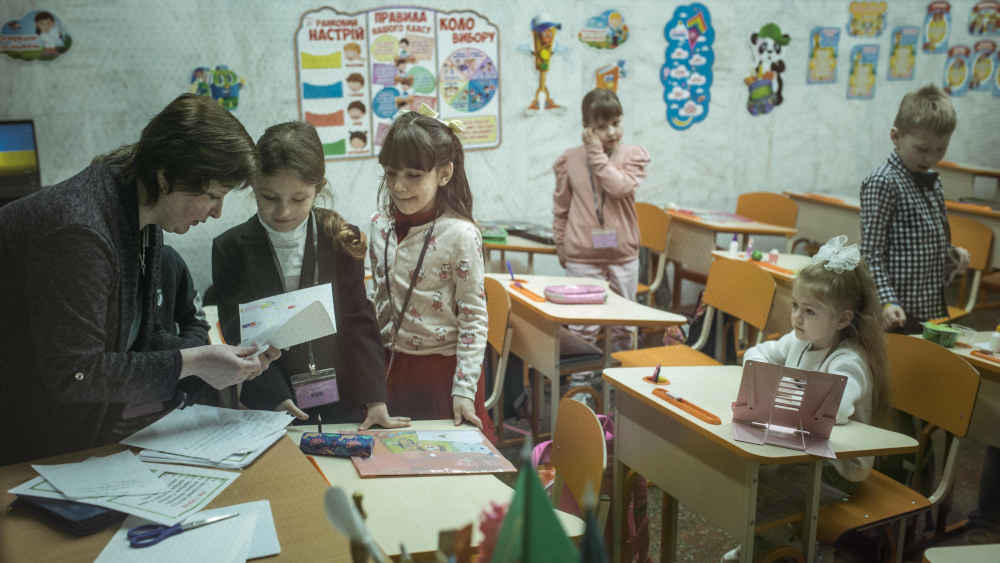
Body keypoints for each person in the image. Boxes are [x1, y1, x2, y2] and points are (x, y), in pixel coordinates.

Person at [0, 93, 279, 465]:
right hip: (20, 439)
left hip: (61, 431)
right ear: (165, 177)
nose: (217, 213)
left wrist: (223, 360)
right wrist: (192, 362)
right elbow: (77, 373)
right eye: (212, 195)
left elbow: (137, 341)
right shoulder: (80, 231)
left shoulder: (140, 214)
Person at [213, 121, 408, 430]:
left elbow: (358, 321)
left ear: (319, 188)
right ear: (253, 184)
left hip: (342, 396)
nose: (283, 212)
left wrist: (375, 399)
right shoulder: (230, 249)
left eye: (299, 199)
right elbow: (239, 332)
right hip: (270, 400)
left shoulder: (342, 240)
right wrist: (273, 395)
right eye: (269, 197)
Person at [724, 235, 890, 561]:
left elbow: (835, 409)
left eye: (810, 311)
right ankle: (764, 543)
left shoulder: (849, 360)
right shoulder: (799, 341)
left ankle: (787, 548)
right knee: (745, 464)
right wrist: (773, 380)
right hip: (806, 444)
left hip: (839, 469)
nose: (797, 317)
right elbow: (756, 354)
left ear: (842, 319)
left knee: (764, 479)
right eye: (796, 306)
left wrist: (776, 386)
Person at [368, 104, 496, 441]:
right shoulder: (378, 227)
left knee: (451, 467)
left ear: (444, 173)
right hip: (391, 368)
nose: (398, 186)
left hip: (445, 373)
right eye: (391, 173)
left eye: (413, 175)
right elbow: (377, 304)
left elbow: (474, 318)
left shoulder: (460, 235)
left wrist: (465, 389)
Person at [860, 83, 969, 334]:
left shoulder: (932, 180)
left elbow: (923, 241)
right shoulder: (883, 181)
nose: (930, 158)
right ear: (896, 137)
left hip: (930, 306)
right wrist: (887, 301)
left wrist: (952, 256)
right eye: (922, 149)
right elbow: (871, 253)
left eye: (940, 150)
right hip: (895, 312)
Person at [552, 87, 650, 352]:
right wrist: (560, 243)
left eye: (616, 124)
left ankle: (620, 384)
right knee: (583, 328)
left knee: (624, 326)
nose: (611, 133)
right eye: (602, 126)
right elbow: (561, 207)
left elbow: (618, 188)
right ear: (587, 128)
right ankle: (581, 386)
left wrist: (596, 156)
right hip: (582, 256)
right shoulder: (569, 160)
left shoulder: (632, 156)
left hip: (622, 255)